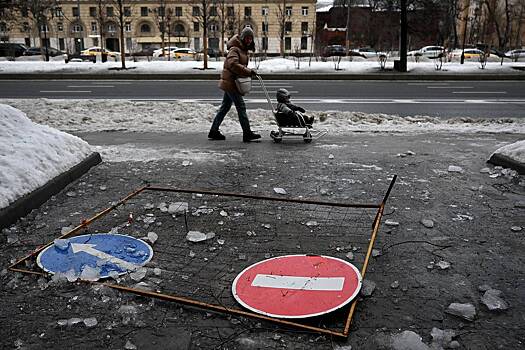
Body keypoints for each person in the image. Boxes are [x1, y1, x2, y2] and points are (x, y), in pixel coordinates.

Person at [208, 27, 260, 142]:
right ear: (242, 37)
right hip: (231, 82)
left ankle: (213, 131)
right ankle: (247, 133)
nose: (249, 40)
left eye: (250, 38)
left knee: (225, 107)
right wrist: (248, 71)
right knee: (241, 107)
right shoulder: (235, 49)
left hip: (233, 81)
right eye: (247, 38)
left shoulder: (242, 49)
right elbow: (232, 64)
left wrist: (246, 71)